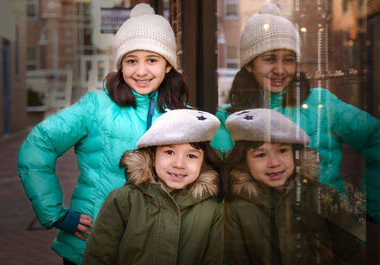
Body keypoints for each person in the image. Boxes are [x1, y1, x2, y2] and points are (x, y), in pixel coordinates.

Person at [17, 3, 189, 265]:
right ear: (121, 65)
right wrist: (57, 214)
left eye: (152, 60)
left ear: (168, 66)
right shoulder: (96, 106)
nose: (141, 71)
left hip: (155, 247)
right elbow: (37, 145)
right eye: (131, 60)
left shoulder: (182, 115)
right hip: (92, 244)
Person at [211, 3, 380, 222]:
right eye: (270, 59)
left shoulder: (321, 103)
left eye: (288, 60)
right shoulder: (228, 121)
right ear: (249, 65)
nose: (280, 70)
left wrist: (369, 208)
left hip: (329, 231)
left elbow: (375, 138)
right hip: (259, 238)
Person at [223, 108, 365, 265]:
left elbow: (351, 253)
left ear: (296, 154)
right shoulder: (235, 209)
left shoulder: (323, 195)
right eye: (260, 155)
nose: (274, 163)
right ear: (244, 162)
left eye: (282, 151)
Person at [82, 109, 224, 265]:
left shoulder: (213, 209)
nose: (179, 164)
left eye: (191, 156)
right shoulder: (123, 200)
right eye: (169, 152)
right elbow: (98, 258)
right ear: (153, 156)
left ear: (203, 162)